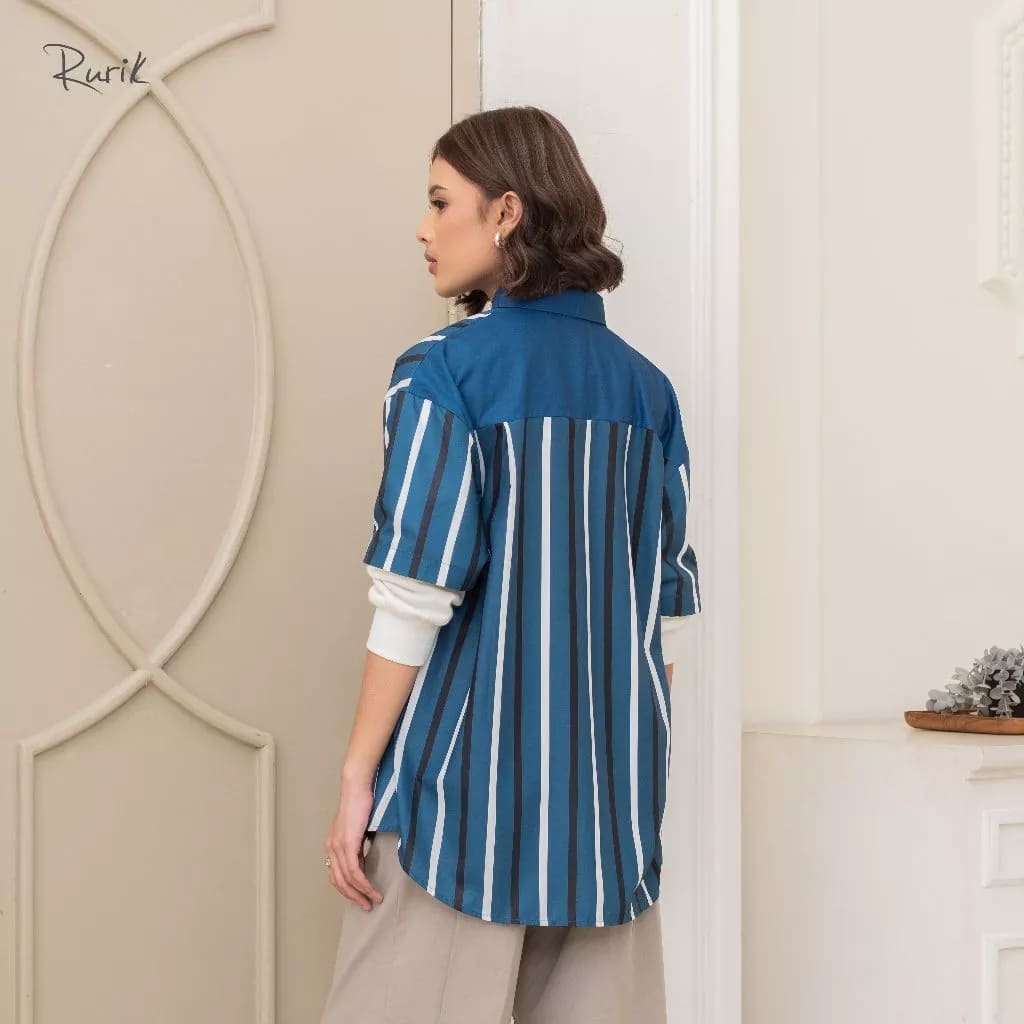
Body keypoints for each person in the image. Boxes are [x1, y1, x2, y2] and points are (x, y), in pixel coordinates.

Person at [318, 105, 702, 1024]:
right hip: (607, 817)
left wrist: (358, 779)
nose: (423, 228)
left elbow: (413, 595)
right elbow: (661, 626)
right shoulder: (647, 391)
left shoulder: (444, 372)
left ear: (506, 212)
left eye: (439, 201)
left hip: (460, 809)